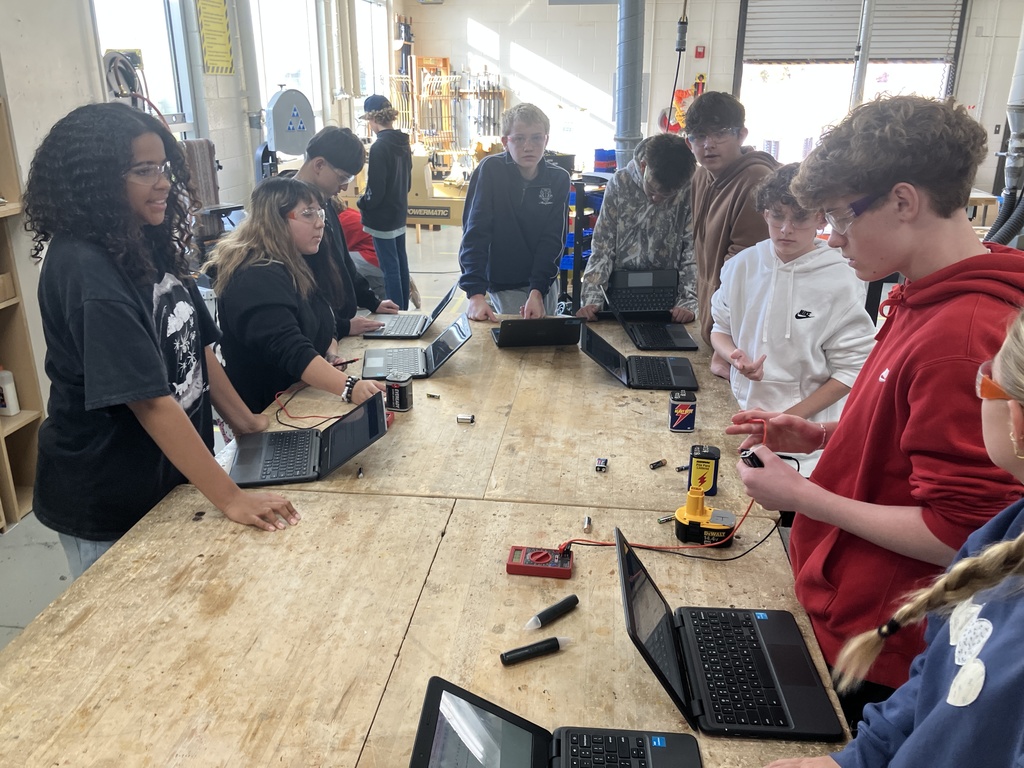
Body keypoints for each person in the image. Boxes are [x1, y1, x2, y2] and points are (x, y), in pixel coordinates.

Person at [731, 95, 1024, 728]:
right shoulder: (923, 295)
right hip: (843, 606)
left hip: (880, 646)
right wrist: (826, 435)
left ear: (903, 201)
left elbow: (961, 533)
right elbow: (911, 439)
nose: (833, 236)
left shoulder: (962, 336)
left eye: (841, 215)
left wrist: (801, 496)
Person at [23, 103, 300, 578]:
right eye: (143, 170)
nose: (163, 182)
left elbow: (197, 349)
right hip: (109, 495)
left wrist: (249, 425)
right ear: (95, 181)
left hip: (171, 479)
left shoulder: (142, 239)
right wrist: (231, 498)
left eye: (164, 167)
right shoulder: (87, 271)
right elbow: (149, 402)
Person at [763, 308, 1024, 768]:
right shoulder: (1007, 530)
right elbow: (937, 674)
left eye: (986, 381)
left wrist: (802, 496)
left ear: (1016, 420)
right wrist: (853, 761)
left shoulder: (958, 334)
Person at [711, 163, 876, 474]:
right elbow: (720, 329)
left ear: (820, 218)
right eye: (777, 216)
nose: (786, 229)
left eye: (799, 218)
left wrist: (788, 421)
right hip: (741, 414)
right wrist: (733, 356)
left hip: (807, 435)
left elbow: (852, 370)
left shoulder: (841, 277)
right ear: (765, 214)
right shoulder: (742, 266)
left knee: (788, 499)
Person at [206, 176, 386, 413]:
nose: (320, 223)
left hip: (300, 394)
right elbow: (290, 349)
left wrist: (329, 355)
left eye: (320, 213)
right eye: (308, 214)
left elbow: (325, 318)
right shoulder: (254, 276)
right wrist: (350, 387)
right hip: (268, 409)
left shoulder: (298, 260)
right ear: (275, 220)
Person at [684, 91, 778, 373]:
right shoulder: (701, 176)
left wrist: (725, 344)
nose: (708, 145)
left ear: (741, 135)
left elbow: (746, 273)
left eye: (720, 133)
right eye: (699, 136)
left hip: (742, 344)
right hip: (715, 333)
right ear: (689, 142)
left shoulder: (757, 180)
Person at [458, 103, 570, 321]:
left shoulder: (559, 179)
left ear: (546, 140)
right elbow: (475, 233)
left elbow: (553, 239)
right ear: (505, 142)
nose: (528, 146)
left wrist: (538, 290)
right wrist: (475, 293)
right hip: (504, 281)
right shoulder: (490, 170)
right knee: (514, 338)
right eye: (519, 139)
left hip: (543, 281)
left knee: (545, 336)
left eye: (536, 138)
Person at [576, 133, 698, 323]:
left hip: (670, 295)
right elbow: (602, 246)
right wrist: (592, 299)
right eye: (653, 190)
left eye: (666, 195)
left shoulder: (689, 187)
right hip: (621, 288)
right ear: (643, 166)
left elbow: (692, 250)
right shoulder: (620, 183)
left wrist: (689, 301)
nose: (656, 199)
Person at [293, 126, 399, 337]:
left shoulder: (325, 202)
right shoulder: (290, 210)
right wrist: (341, 326)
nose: (344, 187)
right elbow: (305, 291)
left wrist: (372, 302)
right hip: (319, 335)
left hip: (337, 328)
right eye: (343, 178)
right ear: (319, 165)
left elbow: (342, 262)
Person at [358, 95, 413, 309]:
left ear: (372, 119)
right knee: (401, 263)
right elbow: (407, 183)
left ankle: (396, 312)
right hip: (399, 213)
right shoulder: (403, 143)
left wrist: (363, 202)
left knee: (389, 268)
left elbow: (376, 190)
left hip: (381, 218)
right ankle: (404, 309)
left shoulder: (380, 147)